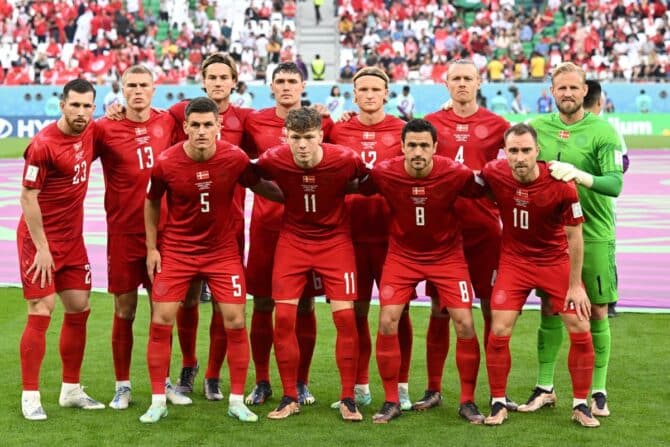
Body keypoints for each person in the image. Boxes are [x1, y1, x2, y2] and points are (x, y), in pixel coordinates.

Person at [140, 97, 283, 423]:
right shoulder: (165, 162)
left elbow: (263, 186)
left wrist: (303, 197)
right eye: (196, 125)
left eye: (209, 125)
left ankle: (235, 400)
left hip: (222, 252)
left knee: (235, 319)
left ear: (219, 127)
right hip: (178, 251)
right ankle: (158, 401)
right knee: (161, 319)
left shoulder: (234, 158)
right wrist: (153, 248)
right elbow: (151, 203)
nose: (202, 131)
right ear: (186, 127)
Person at [359, 119, 484, 424]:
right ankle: (391, 401)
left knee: (465, 323)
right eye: (411, 145)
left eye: (424, 145)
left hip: (447, 256)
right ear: (401, 147)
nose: (417, 151)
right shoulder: (385, 171)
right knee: (387, 320)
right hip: (402, 256)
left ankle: (467, 401)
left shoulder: (454, 173)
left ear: (435, 148)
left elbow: (487, 188)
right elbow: (351, 184)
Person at [479, 123, 599, 428]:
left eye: (526, 150)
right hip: (514, 263)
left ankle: (581, 404)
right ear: (504, 152)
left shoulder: (561, 184)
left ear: (538, 152)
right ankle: (497, 402)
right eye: (513, 151)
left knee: (580, 325)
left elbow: (575, 237)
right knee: (499, 329)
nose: (520, 157)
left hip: (554, 261)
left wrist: (575, 286)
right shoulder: (494, 172)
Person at [522, 62, 623, 418]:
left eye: (573, 88)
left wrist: (581, 175)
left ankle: (598, 390)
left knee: (595, 309)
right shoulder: (537, 128)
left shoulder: (603, 131)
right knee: (550, 308)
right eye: (560, 88)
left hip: (593, 233)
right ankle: (545, 387)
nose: (567, 93)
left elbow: (615, 184)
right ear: (552, 91)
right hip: (550, 237)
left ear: (585, 91)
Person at [255, 107, 366, 421]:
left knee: (345, 320)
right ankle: (290, 396)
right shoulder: (274, 158)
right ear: (285, 137)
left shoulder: (345, 158)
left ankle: (348, 398)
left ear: (320, 135)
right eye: (295, 138)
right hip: (293, 242)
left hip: (335, 243)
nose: (302, 144)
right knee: (284, 319)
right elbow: (252, 179)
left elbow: (366, 182)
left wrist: (336, 191)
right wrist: (284, 197)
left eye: (308, 137)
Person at [96, 65, 194, 410]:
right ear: (121, 89)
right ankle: (122, 386)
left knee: (162, 311)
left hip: (165, 234)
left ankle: (162, 383)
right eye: (131, 85)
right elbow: (75, 149)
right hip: (123, 233)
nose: (138, 91)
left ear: (155, 88)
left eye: (144, 85)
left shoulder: (168, 122)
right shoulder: (105, 127)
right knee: (124, 311)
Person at [423, 59, 513, 415]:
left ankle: (496, 391)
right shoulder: (431, 123)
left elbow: (516, 164)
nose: (462, 84)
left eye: (468, 78)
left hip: (484, 232)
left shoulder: (498, 126)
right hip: (442, 233)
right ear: (446, 84)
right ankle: (433, 389)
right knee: (439, 308)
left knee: (492, 307)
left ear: (479, 82)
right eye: (456, 79)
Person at [244, 62, 333, 407]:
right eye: (279, 81)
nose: (285, 87)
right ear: (270, 86)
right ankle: (263, 380)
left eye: (292, 81)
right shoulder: (254, 121)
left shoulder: (321, 122)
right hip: (266, 228)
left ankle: (302, 380)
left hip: (308, 229)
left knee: (306, 304)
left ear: (303, 85)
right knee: (263, 304)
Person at [168, 53, 254, 401]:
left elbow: (285, 124)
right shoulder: (181, 113)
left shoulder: (247, 118)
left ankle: (213, 375)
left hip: (229, 226)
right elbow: (146, 118)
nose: (218, 82)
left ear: (234, 81)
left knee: (225, 305)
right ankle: (188, 366)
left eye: (224, 77)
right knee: (187, 299)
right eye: (212, 76)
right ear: (203, 81)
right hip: (186, 228)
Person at [18, 79, 104, 420]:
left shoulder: (91, 131)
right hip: (39, 242)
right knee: (42, 308)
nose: (81, 112)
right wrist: (42, 248)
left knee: (79, 307)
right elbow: (27, 197)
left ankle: (70, 390)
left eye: (87, 106)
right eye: (75, 105)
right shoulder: (42, 145)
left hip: (73, 240)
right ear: (62, 105)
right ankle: (30, 395)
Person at [327, 67, 413, 411]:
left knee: (398, 314)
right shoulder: (338, 129)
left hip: (393, 238)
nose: (369, 94)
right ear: (354, 94)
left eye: (376, 89)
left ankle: (402, 386)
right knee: (356, 314)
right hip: (348, 236)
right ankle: (360, 386)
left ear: (386, 93)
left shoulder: (402, 130)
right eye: (363, 89)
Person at [583, 79, 630, 318]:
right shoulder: (608, 129)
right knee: (604, 249)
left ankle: (563, 300)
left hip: (572, 200)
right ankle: (608, 302)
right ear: (600, 102)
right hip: (602, 202)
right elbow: (623, 163)